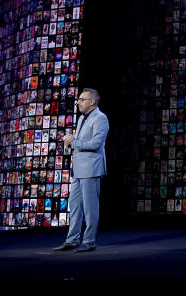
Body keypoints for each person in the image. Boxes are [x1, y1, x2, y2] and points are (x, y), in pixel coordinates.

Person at [52, 88, 109, 253]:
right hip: (77, 169)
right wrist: (72, 140)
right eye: (78, 99)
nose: (78, 102)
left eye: (82, 99)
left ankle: (89, 241)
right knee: (75, 206)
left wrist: (74, 142)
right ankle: (72, 240)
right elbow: (82, 140)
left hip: (91, 169)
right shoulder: (82, 119)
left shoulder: (100, 118)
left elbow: (96, 144)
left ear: (92, 101)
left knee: (90, 208)